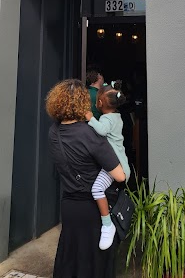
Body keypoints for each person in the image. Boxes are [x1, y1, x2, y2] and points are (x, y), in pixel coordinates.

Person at [47, 78, 126, 278]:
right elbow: (119, 175)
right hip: (94, 210)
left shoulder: (54, 132)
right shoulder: (90, 134)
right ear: (83, 102)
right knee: (95, 264)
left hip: (70, 206)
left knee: (71, 261)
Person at [85, 80, 131, 250]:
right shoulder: (117, 117)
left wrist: (90, 118)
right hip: (120, 163)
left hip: (114, 165)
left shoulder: (106, 119)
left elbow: (102, 130)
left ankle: (107, 224)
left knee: (97, 189)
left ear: (100, 103)